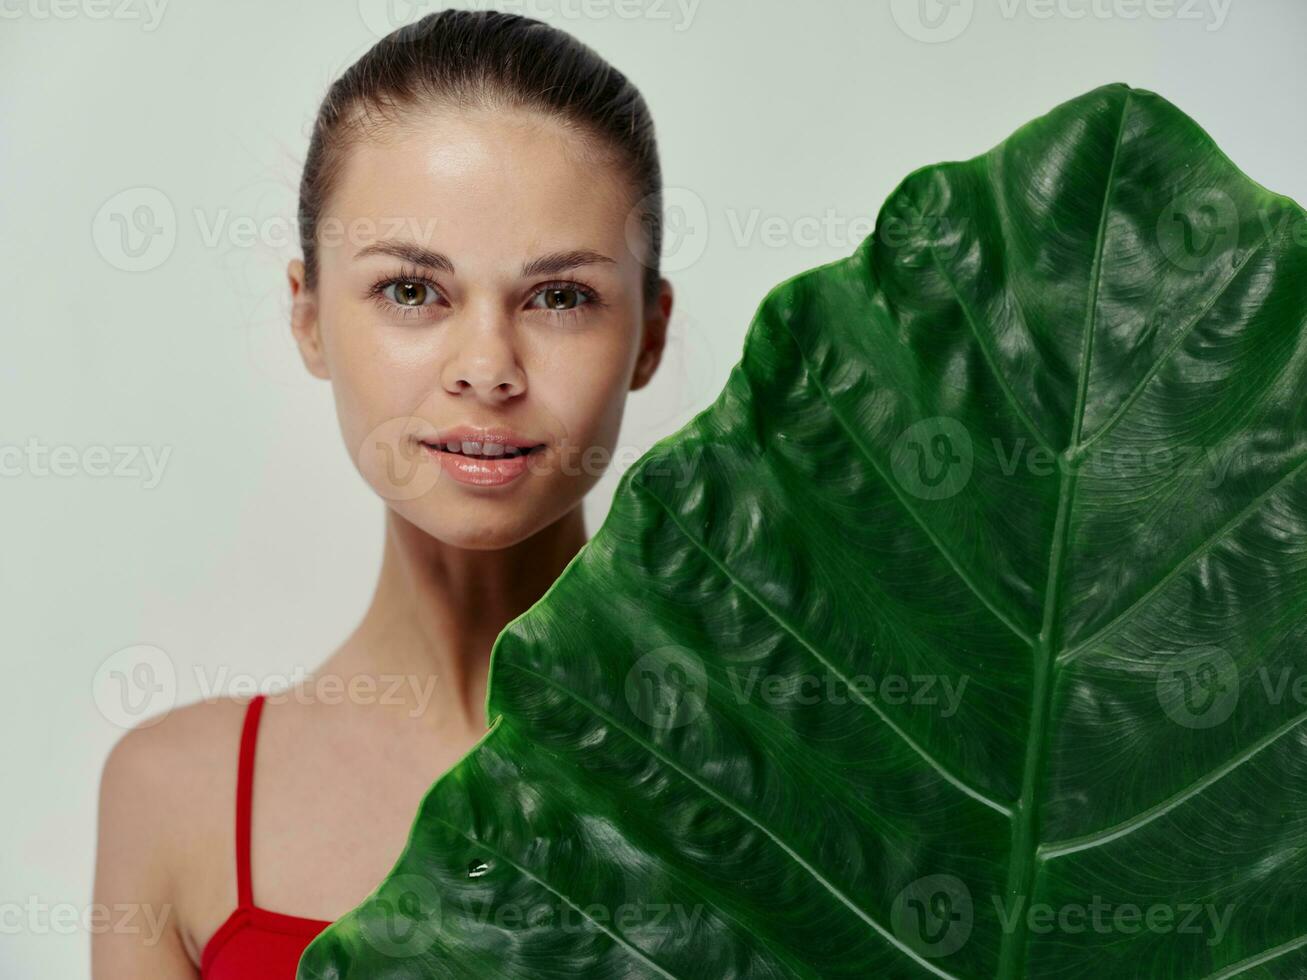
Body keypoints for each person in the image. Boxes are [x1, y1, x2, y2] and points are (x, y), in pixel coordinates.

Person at [91, 10, 672, 977]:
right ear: (309, 317)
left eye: (560, 296)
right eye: (412, 291)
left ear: (648, 335)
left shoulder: (784, 758)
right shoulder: (174, 797)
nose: (487, 368)